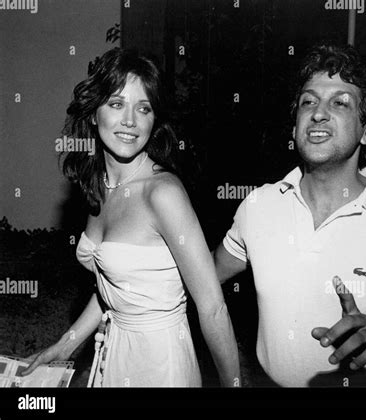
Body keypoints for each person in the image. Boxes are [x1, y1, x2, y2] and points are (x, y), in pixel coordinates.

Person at [213, 44, 366, 387]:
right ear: (294, 126)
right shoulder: (258, 206)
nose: (318, 113)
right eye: (308, 101)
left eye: (340, 103)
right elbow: (203, 281)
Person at [22, 48, 240, 387]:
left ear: (154, 121)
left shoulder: (162, 193)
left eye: (144, 108)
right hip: (113, 349)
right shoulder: (99, 185)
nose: (130, 121)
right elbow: (113, 287)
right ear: (94, 114)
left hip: (160, 363)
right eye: (116, 104)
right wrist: (62, 346)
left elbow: (212, 307)